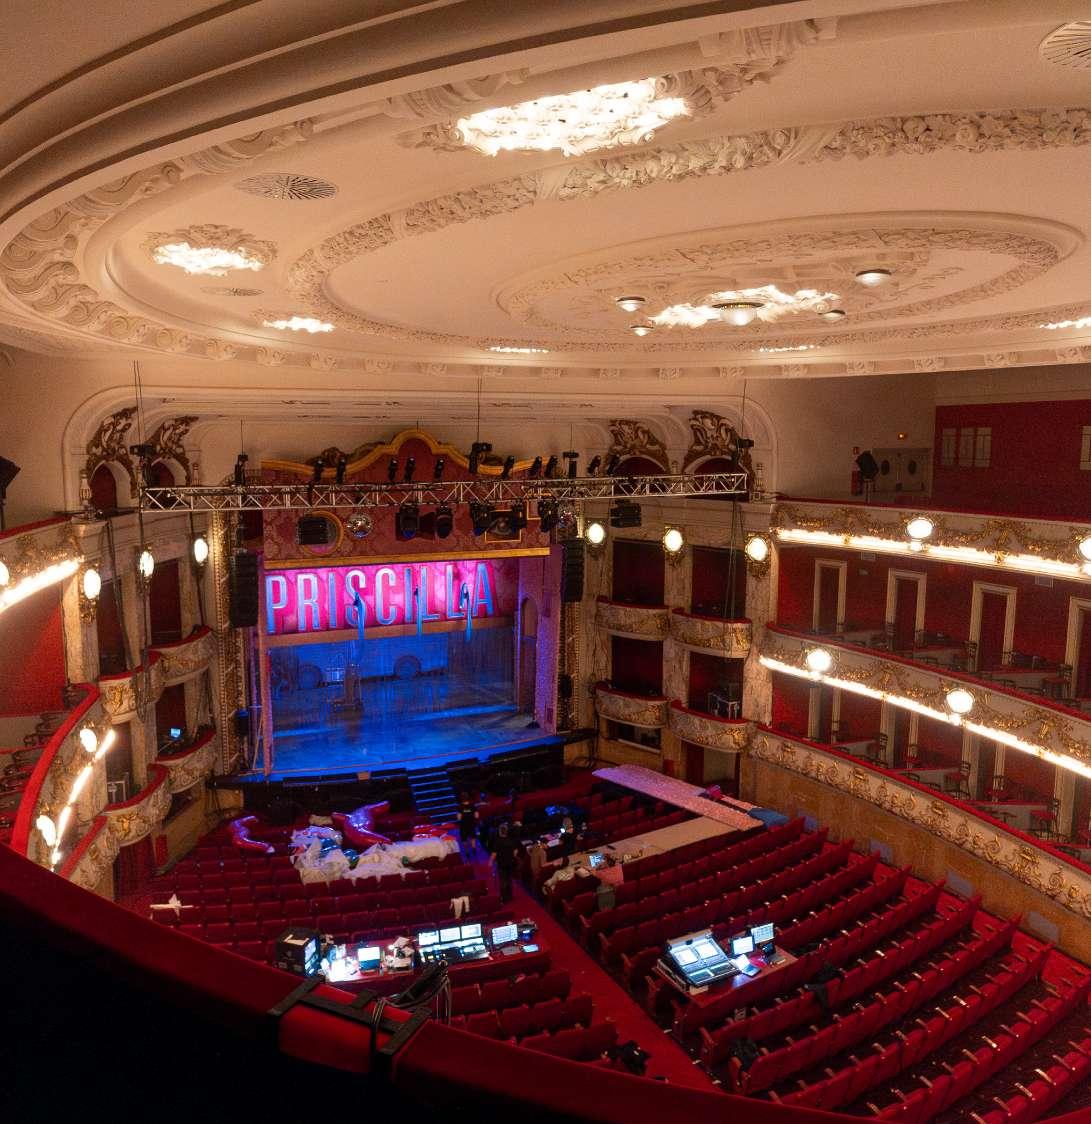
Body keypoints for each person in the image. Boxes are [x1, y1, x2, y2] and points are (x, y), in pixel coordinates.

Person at [489, 822, 522, 904]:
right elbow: (515, 851)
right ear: (506, 831)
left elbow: (494, 854)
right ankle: (510, 896)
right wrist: (511, 855)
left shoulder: (497, 842)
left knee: (503, 881)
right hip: (510, 863)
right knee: (509, 879)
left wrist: (490, 862)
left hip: (501, 864)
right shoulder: (511, 840)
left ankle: (504, 898)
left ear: (500, 832)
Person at [457, 791, 479, 859]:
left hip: (463, 826)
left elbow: (459, 818)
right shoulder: (472, 805)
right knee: (472, 837)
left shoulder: (460, 807)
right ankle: (474, 848)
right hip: (471, 824)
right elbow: (477, 816)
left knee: (464, 839)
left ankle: (467, 852)